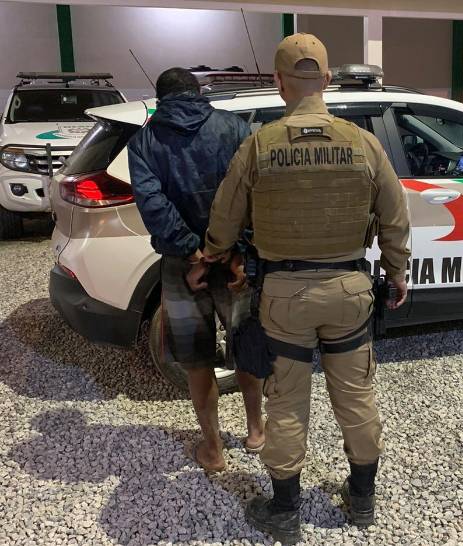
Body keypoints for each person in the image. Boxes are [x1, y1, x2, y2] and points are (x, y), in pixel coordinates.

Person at [192, 34, 410, 544]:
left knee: (287, 401)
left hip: (284, 294)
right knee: (356, 395)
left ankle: (285, 510)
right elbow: (395, 216)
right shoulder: (363, 143)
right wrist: (397, 273)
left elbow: (224, 217)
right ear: (327, 80)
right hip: (350, 290)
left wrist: (211, 255)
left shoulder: (260, 145)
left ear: (278, 81)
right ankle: (362, 501)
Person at [127, 67, 265, 473]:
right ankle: (257, 432)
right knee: (247, 345)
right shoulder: (234, 127)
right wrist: (236, 250)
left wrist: (193, 254)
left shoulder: (143, 143)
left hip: (182, 267)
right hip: (235, 259)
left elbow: (153, 206)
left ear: (160, 99)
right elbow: (253, 194)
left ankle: (213, 450)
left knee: (196, 360)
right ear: (198, 92)